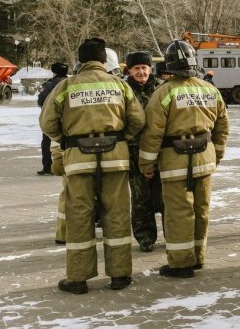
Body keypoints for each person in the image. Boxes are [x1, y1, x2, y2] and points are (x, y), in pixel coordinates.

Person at [40, 38, 145, 294]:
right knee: (117, 215)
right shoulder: (119, 85)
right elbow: (137, 119)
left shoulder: (66, 86)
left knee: (79, 216)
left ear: (81, 60)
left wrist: (68, 139)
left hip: (79, 160)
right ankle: (120, 275)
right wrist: (120, 139)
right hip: (115, 159)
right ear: (102, 60)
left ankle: (78, 279)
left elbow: (47, 122)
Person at [139, 40, 229, 278]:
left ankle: (181, 263)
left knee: (179, 212)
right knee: (201, 209)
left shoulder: (163, 93)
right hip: (205, 159)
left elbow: (152, 133)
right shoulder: (210, 89)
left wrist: (146, 164)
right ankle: (198, 257)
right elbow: (222, 128)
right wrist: (216, 155)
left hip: (174, 161)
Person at [124, 51, 165, 252]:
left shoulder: (162, 88)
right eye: (136, 68)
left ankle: (173, 234)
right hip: (134, 152)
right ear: (129, 70)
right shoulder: (124, 89)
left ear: (151, 69)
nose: (141, 72)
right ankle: (145, 237)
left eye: (144, 68)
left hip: (161, 151)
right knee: (141, 199)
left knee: (166, 196)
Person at [37, 62, 70, 176]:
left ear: (54, 71)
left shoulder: (49, 84)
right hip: (69, 117)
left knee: (46, 141)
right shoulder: (71, 82)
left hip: (53, 117)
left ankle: (47, 167)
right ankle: (67, 164)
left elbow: (41, 100)